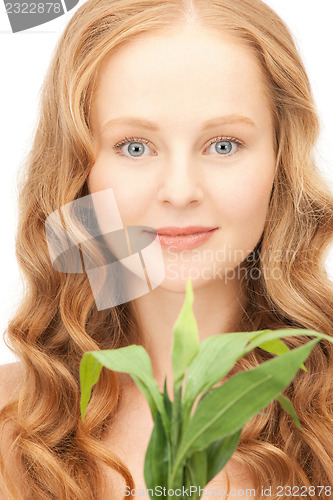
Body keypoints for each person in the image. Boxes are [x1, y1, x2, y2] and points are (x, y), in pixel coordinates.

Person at [1, 0, 333, 498]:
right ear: (80, 170)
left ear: (280, 160)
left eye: (223, 144)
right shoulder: (12, 417)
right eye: (135, 146)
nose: (180, 191)